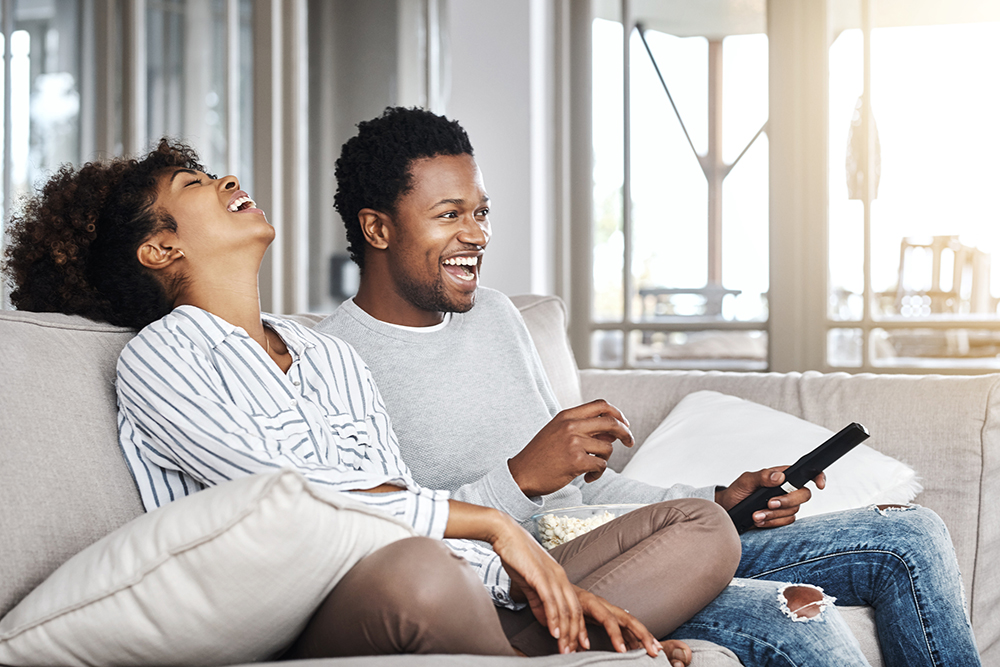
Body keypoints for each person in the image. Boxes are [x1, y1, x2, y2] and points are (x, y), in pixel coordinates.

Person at [2, 139, 741, 665]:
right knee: (418, 572)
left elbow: (398, 491)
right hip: (307, 608)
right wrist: (493, 527)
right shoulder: (162, 358)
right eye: (194, 186)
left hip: (442, 578)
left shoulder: (327, 352)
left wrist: (515, 578)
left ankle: (536, 639)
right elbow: (303, 498)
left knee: (702, 526)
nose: (224, 177)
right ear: (160, 250)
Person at [317, 106, 982, 667]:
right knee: (795, 614)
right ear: (377, 227)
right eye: (450, 214)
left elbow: (580, 494)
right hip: (528, 588)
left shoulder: (493, 316)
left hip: (616, 540)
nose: (477, 235)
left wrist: (718, 498)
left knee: (911, 536)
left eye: (482, 212)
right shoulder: (335, 361)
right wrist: (519, 478)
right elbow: (380, 548)